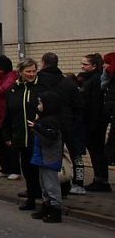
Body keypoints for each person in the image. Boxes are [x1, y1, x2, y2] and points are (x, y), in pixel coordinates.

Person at [36, 52, 85, 194]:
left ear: (43, 63)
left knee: (50, 155)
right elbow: (78, 105)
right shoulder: (68, 83)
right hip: (67, 123)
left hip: (47, 124)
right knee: (73, 154)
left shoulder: (39, 81)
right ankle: (77, 183)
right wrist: (73, 121)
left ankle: (53, 186)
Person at [4, 58, 43, 211]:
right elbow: (8, 115)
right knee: (27, 169)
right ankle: (31, 198)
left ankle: (45, 199)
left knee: (39, 169)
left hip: (39, 136)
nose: (31, 74)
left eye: (34, 71)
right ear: (20, 72)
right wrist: (7, 135)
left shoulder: (41, 88)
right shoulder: (13, 90)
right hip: (21, 135)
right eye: (28, 71)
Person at [29, 91, 65, 223]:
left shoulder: (51, 121)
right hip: (42, 157)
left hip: (49, 157)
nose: (38, 105)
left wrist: (37, 127)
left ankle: (55, 210)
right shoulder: (43, 119)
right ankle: (46, 206)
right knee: (44, 184)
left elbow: (51, 137)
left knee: (51, 184)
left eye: (40, 103)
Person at [79, 53, 111, 192]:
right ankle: (100, 179)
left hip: (95, 122)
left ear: (94, 65)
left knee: (97, 150)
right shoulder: (91, 79)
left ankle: (101, 180)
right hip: (94, 121)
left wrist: (92, 123)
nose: (82, 66)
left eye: (85, 64)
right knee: (96, 151)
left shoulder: (95, 80)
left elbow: (94, 104)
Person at [0, 55, 21, 180]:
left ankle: (14, 169)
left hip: (5, 116)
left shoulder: (10, 77)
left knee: (9, 144)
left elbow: (1, 91)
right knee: (0, 144)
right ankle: (5, 168)